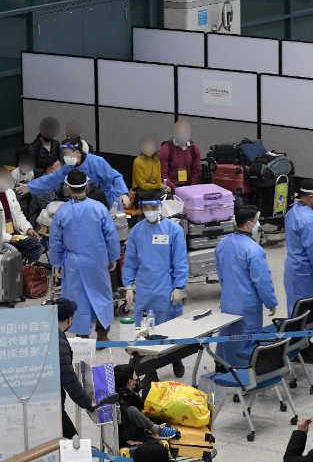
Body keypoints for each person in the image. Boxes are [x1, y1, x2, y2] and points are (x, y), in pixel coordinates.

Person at [122, 190, 188, 378]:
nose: (150, 211)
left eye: (154, 207)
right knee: (144, 331)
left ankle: (176, 358)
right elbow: (130, 261)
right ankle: (150, 371)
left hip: (167, 288)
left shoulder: (173, 230)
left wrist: (179, 287)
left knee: (170, 329)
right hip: (145, 288)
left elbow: (180, 261)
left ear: (160, 207)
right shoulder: (137, 231)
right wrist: (128, 286)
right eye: (146, 207)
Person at [49, 169, 120, 340]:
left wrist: (56, 262)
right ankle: (103, 333)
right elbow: (111, 235)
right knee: (101, 293)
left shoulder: (62, 211)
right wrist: (113, 257)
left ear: (68, 187)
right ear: (87, 186)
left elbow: (55, 241)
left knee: (76, 298)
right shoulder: (99, 208)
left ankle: (82, 336)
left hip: (74, 262)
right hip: (97, 259)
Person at [214, 206, 279, 367]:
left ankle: (225, 366)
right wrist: (270, 302)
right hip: (247, 304)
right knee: (246, 339)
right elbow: (262, 280)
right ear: (249, 223)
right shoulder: (253, 249)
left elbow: (221, 273)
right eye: (257, 221)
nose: (258, 224)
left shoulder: (223, 244)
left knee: (229, 335)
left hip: (228, 300)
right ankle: (243, 374)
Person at [17, 143, 130, 211]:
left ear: (76, 152)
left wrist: (123, 193)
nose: (65, 156)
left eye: (67, 153)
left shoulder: (97, 161)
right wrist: (30, 186)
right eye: (64, 154)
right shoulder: (68, 167)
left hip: (108, 198)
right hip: (86, 201)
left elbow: (115, 177)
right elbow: (51, 179)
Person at [283, 180, 313, 319]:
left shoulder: (293, 211)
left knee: (294, 307)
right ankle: (304, 340)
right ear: (311, 197)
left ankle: (295, 338)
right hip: (305, 272)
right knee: (305, 311)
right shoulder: (309, 220)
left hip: (293, 268)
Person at [0, 166, 43, 263]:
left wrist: (28, 228)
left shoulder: (9, 192)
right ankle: (19, 272)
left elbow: (18, 214)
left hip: (14, 234)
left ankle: (27, 271)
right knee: (13, 254)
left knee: (38, 246)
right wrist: (9, 238)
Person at [55, 298, 95, 438]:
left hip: (41, 399)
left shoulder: (43, 332)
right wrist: (88, 403)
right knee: (73, 442)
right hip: (51, 404)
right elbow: (69, 378)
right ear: (70, 320)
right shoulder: (58, 341)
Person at [114, 364, 179, 446]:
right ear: (130, 382)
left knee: (148, 392)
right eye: (135, 375)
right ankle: (156, 430)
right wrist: (127, 439)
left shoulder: (126, 392)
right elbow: (123, 422)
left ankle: (149, 428)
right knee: (132, 410)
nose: (137, 377)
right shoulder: (122, 400)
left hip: (133, 425)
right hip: (130, 432)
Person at [159, 120, 202, 188]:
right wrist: (176, 190)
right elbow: (162, 174)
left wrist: (191, 189)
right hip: (171, 187)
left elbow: (197, 172)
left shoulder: (194, 148)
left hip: (189, 186)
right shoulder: (165, 149)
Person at [28, 156, 62, 229]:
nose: (61, 168)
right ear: (49, 170)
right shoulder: (41, 187)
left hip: (53, 219)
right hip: (40, 224)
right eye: (58, 166)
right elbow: (50, 209)